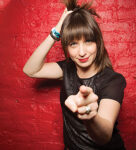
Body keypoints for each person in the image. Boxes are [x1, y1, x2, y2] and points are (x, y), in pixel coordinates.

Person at [23, 0, 126, 149]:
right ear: (66, 47)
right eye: (73, 44)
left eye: (88, 42)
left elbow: (104, 136)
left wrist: (90, 116)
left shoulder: (113, 81)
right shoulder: (67, 69)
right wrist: (57, 31)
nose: (82, 52)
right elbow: (30, 70)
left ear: (98, 42)